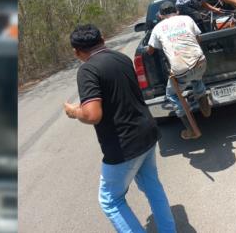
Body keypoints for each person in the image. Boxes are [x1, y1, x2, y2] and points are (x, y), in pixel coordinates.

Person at [64, 24, 176, 233]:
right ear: (103, 39)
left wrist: (74, 112)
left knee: (110, 201)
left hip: (124, 145)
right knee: (152, 186)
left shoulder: (87, 69)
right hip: (147, 133)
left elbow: (92, 114)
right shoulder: (121, 58)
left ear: (76, 52)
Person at [146, 1, 212, 140]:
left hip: (181, 68)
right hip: (201, 61)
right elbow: (198, 38)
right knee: (196, 77)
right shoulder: (187, 19)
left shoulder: (158, 28)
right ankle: (205, 110)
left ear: (161, 15)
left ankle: (192, 129)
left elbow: (151, 51)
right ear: (176, 11)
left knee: (172, 95)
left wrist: (151, 47)